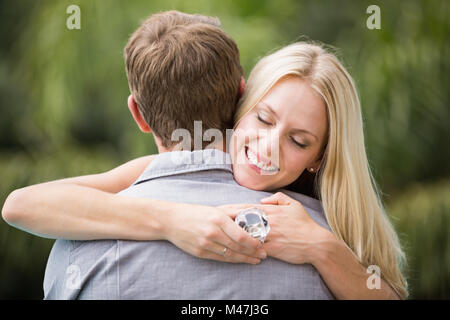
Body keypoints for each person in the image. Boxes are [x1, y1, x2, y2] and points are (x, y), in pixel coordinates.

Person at [1, 11, 407, 299]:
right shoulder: (144, 179)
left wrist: (322, 248)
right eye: (264, 119)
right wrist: (175, 220)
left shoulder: (332, 234)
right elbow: (20, 205)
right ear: (241, 100)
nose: (267, 147)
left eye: (299, 141)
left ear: (320, 155)